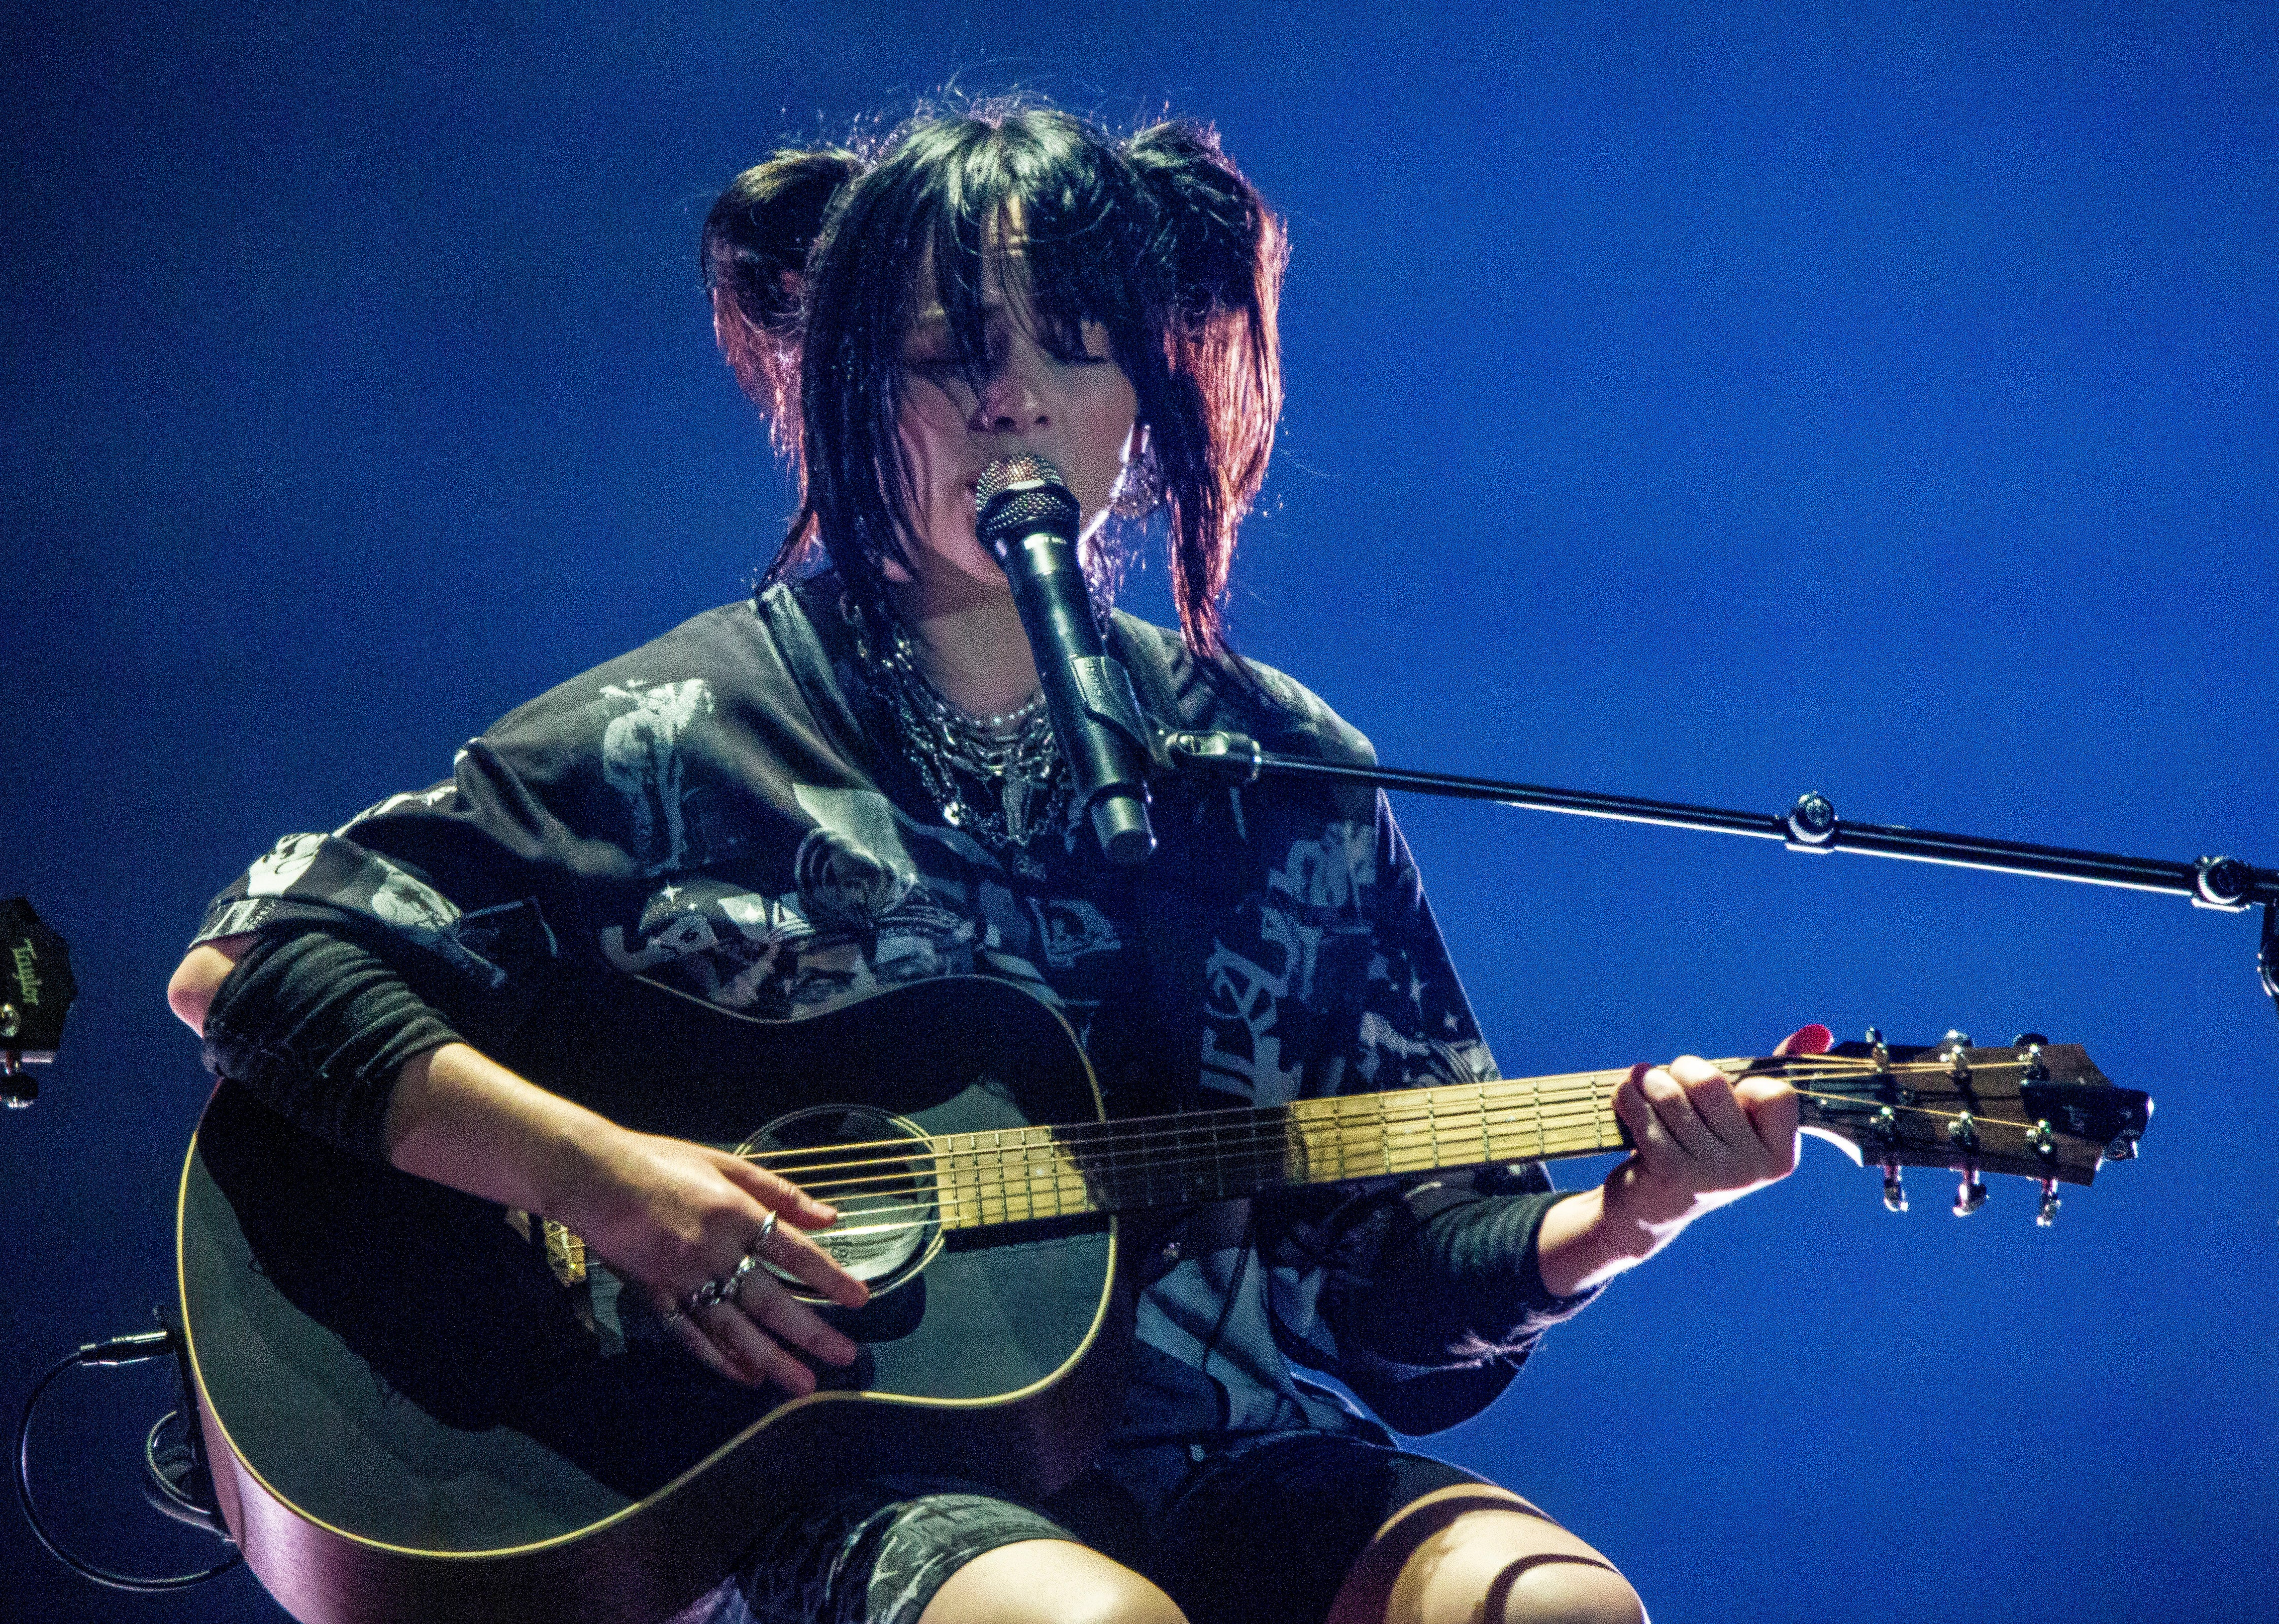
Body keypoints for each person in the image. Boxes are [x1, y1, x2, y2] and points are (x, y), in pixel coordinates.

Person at [168, 103, 1804, 1624]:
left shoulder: (1271, 766)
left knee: (1559, 1611)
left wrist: (1626, 1212)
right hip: (858, 1486)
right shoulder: (685, 733)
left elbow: (1387, 1293)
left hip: (1229, 1441)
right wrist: (607, 1182)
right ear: (842, 391)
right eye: (946, 353)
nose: (1012, 396)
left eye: (1073, 349)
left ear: (1142, 403)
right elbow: (255, 967)